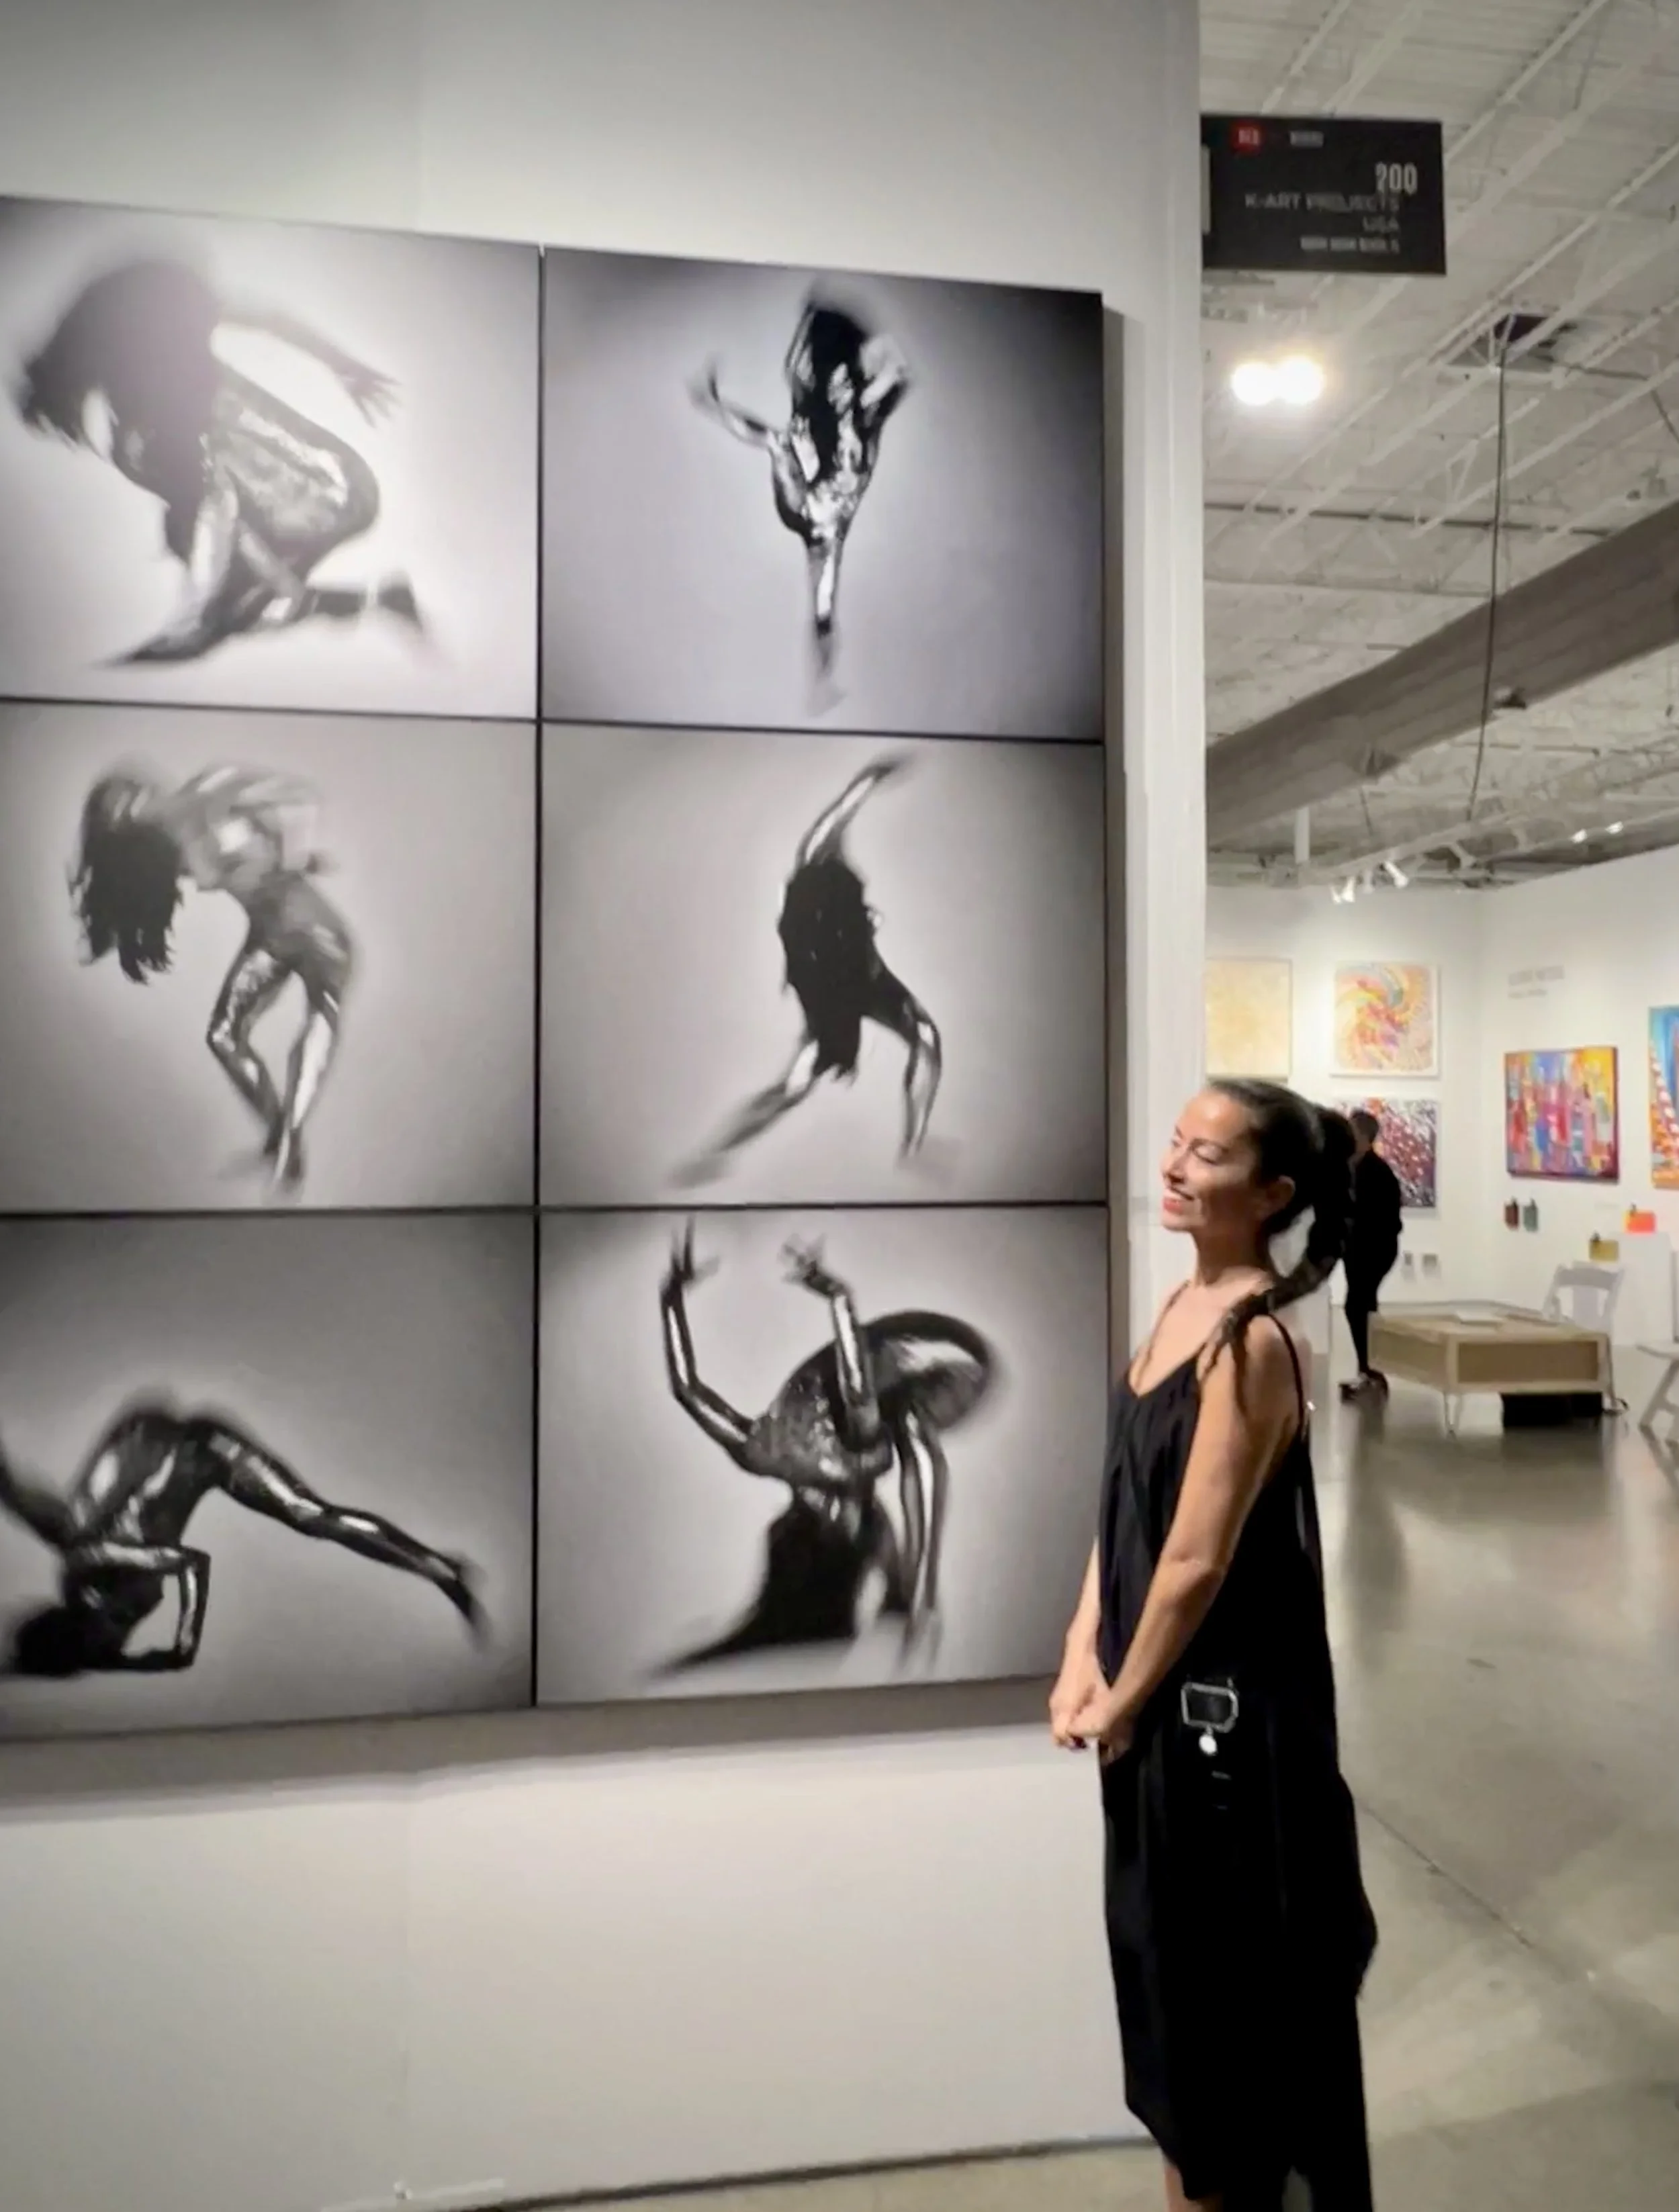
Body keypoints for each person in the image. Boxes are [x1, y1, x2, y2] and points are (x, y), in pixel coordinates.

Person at [1049, 1082, 1377, 2211]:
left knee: (1225, 2040)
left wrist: (1126, 1697)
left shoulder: (1253, 1342)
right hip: (1158, 1721)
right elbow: (1123, 1512)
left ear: (1273, 1192)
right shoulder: (1181, 1310)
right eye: (1177, 1140)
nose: (1178, 1163)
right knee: (1172, 2007)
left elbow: (1193, 1560)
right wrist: (1079, 1653)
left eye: (1209, 1151)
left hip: (1222, 1744)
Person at [15, 255, 422, 663]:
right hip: (295, 492)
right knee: (245, 609)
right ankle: (377, 601)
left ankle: (359, 601)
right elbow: (267, 319)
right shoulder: (133, 379)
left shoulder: (153, 400)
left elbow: (217, 494)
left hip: (311, 493)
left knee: (235, 610)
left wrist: (199, 606)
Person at [657, 1222, 992, 1665]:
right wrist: (671, 1301)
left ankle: (917, 1592)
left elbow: (855, 1389)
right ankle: (914, 1593)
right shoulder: (774, 1455)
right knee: (905, 1423)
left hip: (936, 1360)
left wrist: (838, 1298)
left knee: (900, 1425)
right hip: (927, 1366)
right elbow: (688, 1391)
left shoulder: (790, 1453)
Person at [0, 1397, 482, 1677]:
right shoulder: (99, 1644)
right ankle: (445, 1568)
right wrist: (137, 1664)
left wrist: (185, 1645)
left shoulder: (89, 1562)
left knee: (311, 1516)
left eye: (112, 1630)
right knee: (70, 1522)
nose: (121, 1635)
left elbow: (191, 1562)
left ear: (79, 1622)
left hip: (198, 1447)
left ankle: (441, 1570)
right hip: (158, 1465)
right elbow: (115, 1659)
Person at [71, 764, 353, 1195]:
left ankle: (287, 1143)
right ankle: (284, 1140)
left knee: (321, 1014)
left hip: (319, 932)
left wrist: (295, 855)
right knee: (223, 1035)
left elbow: (298, 793)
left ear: (140, 796)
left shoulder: (212, 790)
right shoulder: (168, 845)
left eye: (129, 810)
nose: (138, 818)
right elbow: (206, 871)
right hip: (270, 936)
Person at [678, 755, 942, 1183]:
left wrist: (872, 782)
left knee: (926, 1038)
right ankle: (718, 1151)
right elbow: (840, 812)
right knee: (793, 1089)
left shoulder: (836, 887)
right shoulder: (815, 863)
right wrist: (871, 781)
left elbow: (843, 819)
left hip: (862, 979)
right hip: (832, 990)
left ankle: (913, 1144)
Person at [692, 293, 911, 694]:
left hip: (825, 527)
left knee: (823, 610)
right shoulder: (819, 409)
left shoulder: (863, 416)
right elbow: (794, 373)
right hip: (803, 503)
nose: (841, 394)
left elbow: (898, 377)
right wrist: (808, 322)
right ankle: (711, 404)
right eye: (839, 387)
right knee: (782, 439)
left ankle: (823, 679)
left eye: (847, 387)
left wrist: (878, 348)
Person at [1340, 1109, 1403, 1403]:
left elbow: (1387, 1220)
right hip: (1358, 1249)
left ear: (1364, 1138)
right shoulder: (1352, 1168)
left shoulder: (1378, 1173)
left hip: (1374, 1249)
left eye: (1351, 1134)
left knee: (1360, 1306)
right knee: (1358, 1307)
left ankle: (1372, 1372)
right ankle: (1369, 1370)